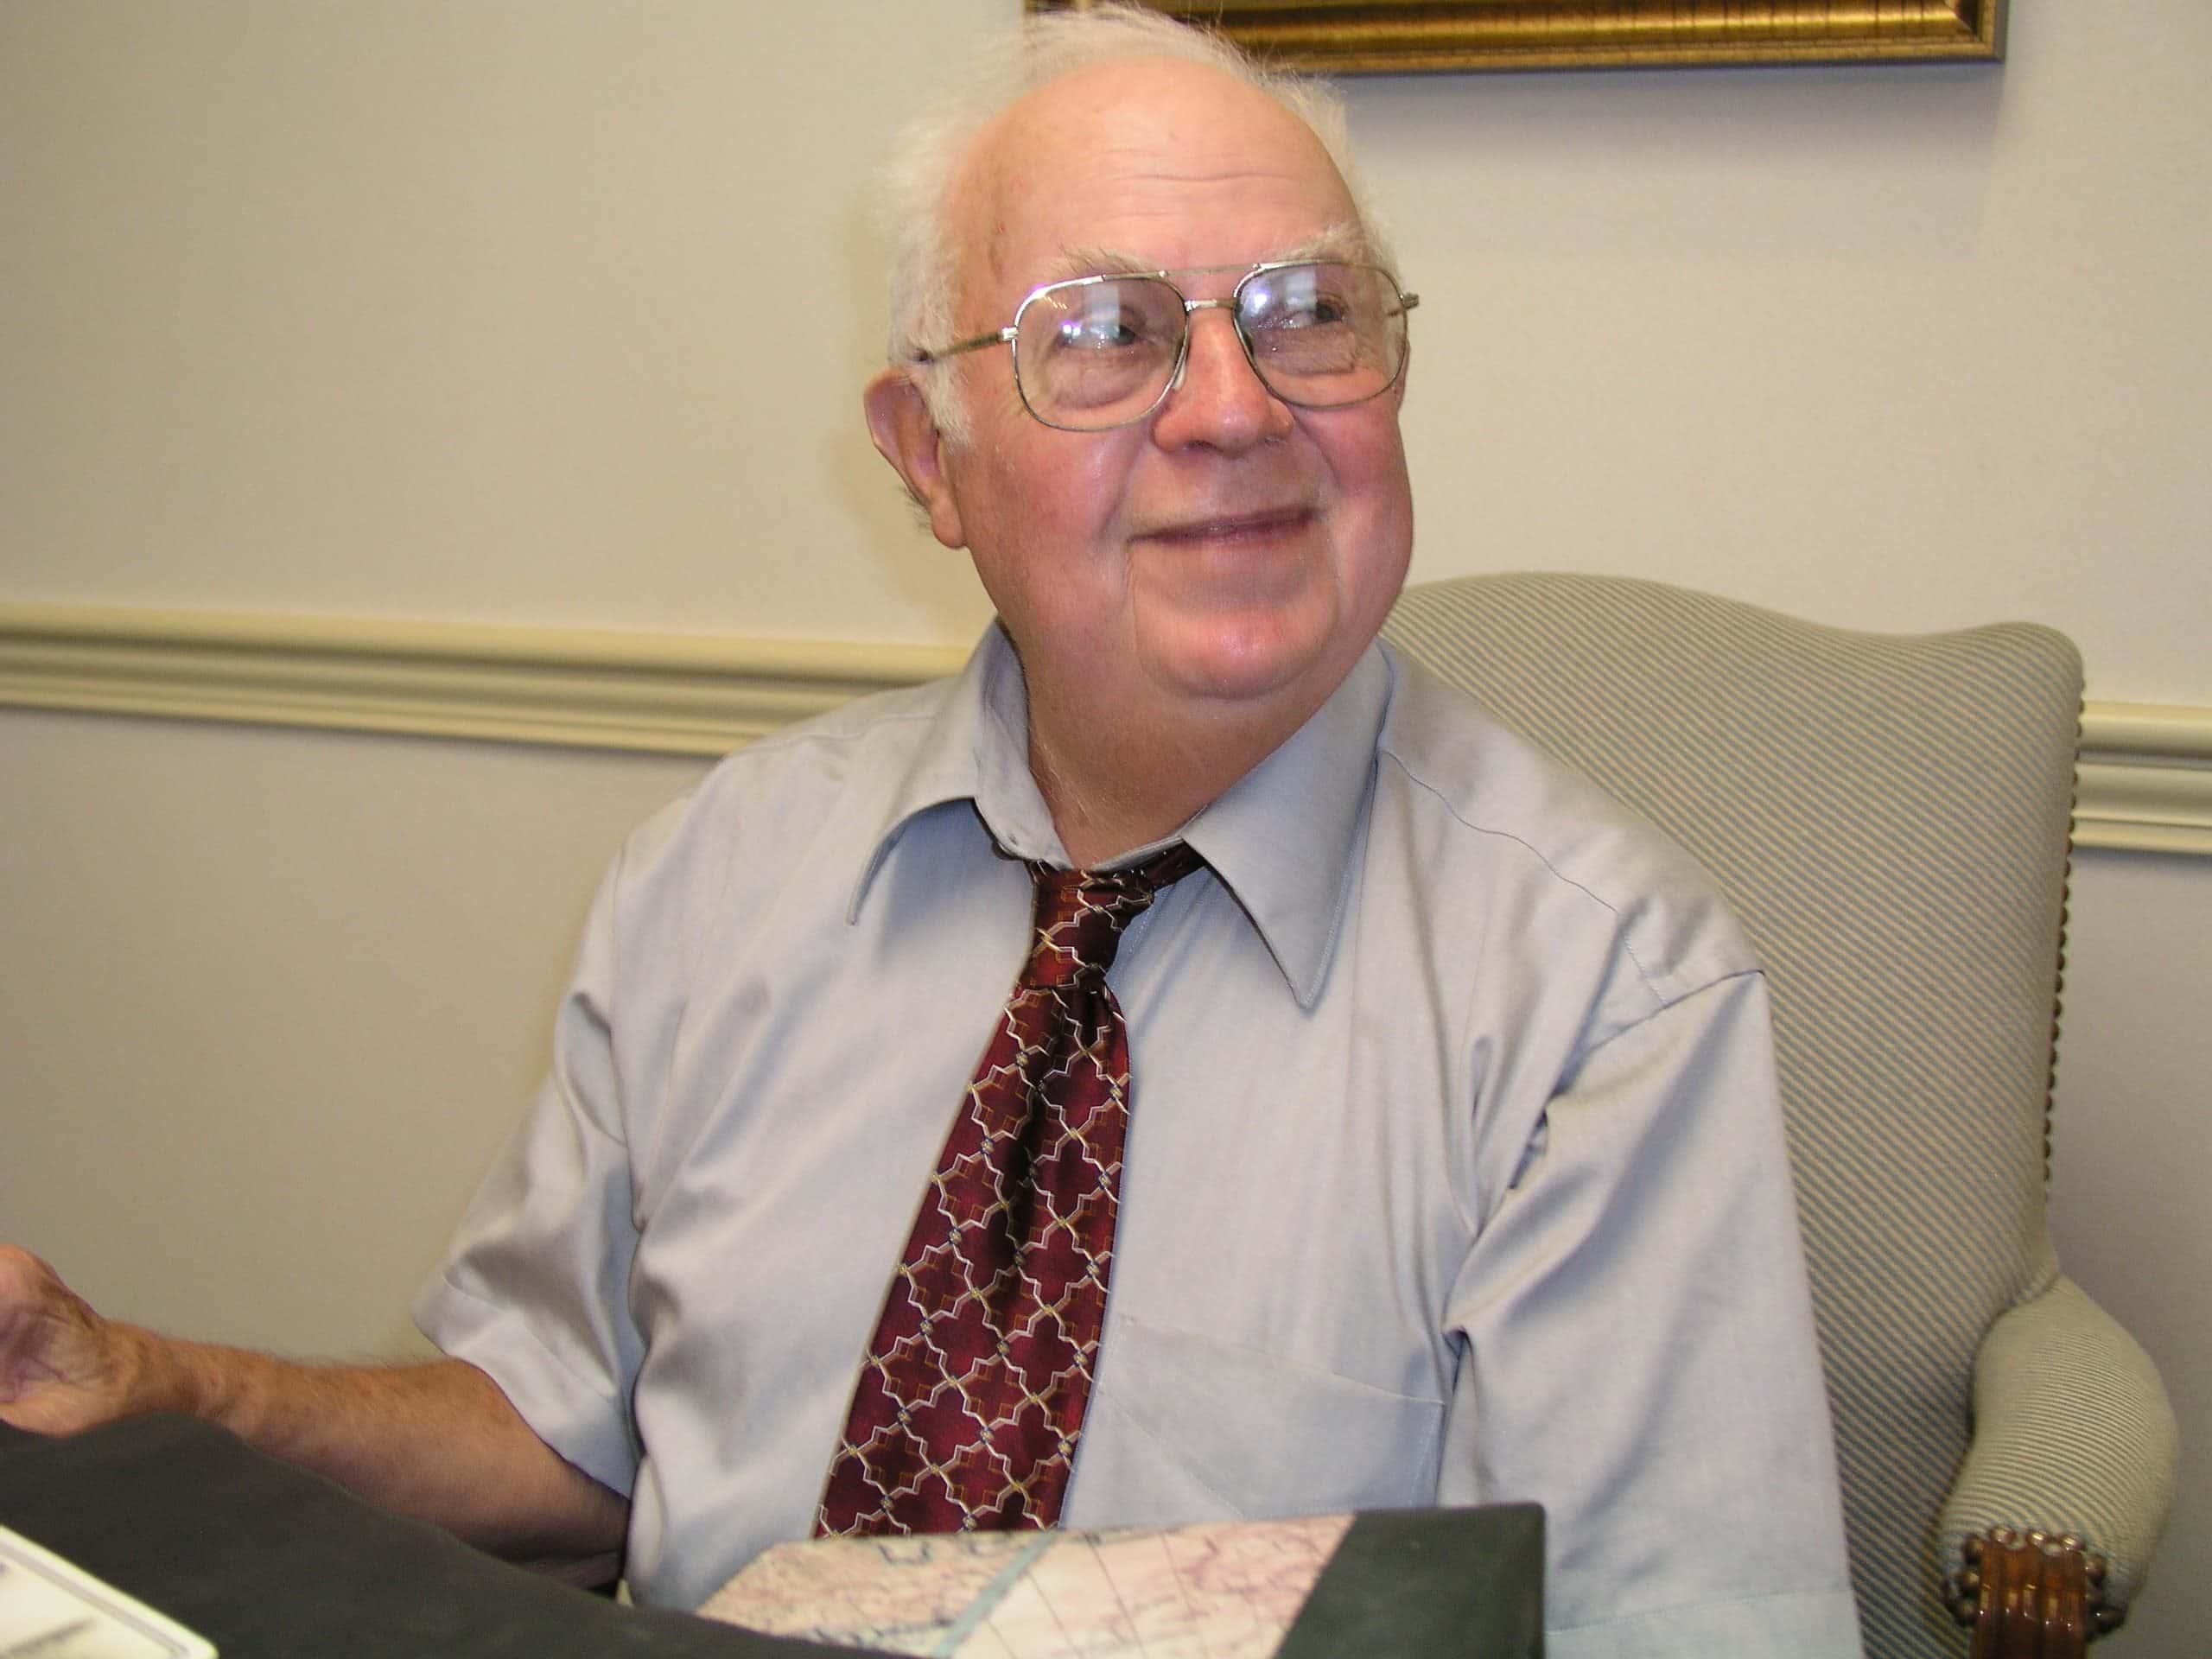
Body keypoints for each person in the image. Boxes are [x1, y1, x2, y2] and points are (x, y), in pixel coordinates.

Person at [0, 8, 1862, 1653]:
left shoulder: (1604, 994)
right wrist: (162, 1388)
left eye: (1309, 313)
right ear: (924, 455)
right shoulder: (720, 878)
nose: (1235, 409)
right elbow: (566, 1443)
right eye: (1104, 335)